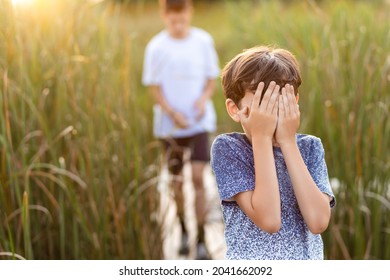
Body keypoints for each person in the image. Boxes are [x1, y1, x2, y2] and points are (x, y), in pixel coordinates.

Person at [210, 46, 336, 260]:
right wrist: (261, 138)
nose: (272, 113)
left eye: (280, 101)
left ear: (294, 102)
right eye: (263, 103)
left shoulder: (309, 147)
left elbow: (318, 221)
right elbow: (269, 219)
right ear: (235, 109)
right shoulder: (229, 148)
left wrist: (288, 142)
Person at [142, 0, 219, 260]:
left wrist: (202, 101)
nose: (178, 24)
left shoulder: (203, 41)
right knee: (176, 181)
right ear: (165, 16)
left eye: (182, 18)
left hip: (198, 123)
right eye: (173, 20)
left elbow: (211, 79)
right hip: (170, 126)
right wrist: (172, 112)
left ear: (189, 13)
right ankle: (184, 230)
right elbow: (154, 87)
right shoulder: (156, 46)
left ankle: (201, 238)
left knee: (198, 177)